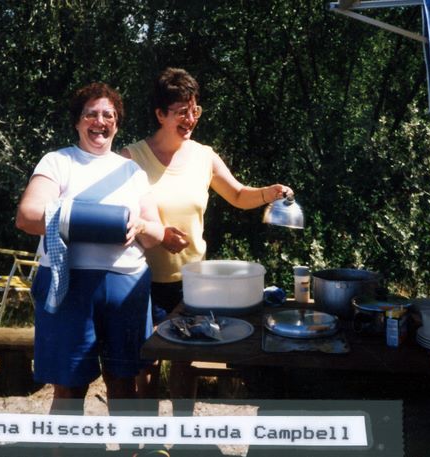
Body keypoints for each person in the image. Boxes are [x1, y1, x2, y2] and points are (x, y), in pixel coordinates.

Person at [122, 67, 292, 406]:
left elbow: (239, 195)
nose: (190, 119)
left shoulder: (204, 156)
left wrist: (268, 193)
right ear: (160, 114)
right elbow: (119, 216)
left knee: (186, 360)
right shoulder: (130, 157)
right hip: (141, 279)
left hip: (192, 282)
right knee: (147, 364)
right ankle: (149, 434)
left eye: (195, 110)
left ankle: (183, 433)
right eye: (181, 112)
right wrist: (155, 232)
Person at [16, 82, 164, 416]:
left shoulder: (132, 172)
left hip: (125, 285)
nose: (100, 122)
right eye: (91, 114)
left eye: (108, 115)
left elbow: (156, 233)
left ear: (117, 124)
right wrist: (86, 220)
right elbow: (27, 216)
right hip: (68, 285)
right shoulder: (58, 162)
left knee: (124, 383)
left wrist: (140, 225)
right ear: (77, 121)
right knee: (69, 386)